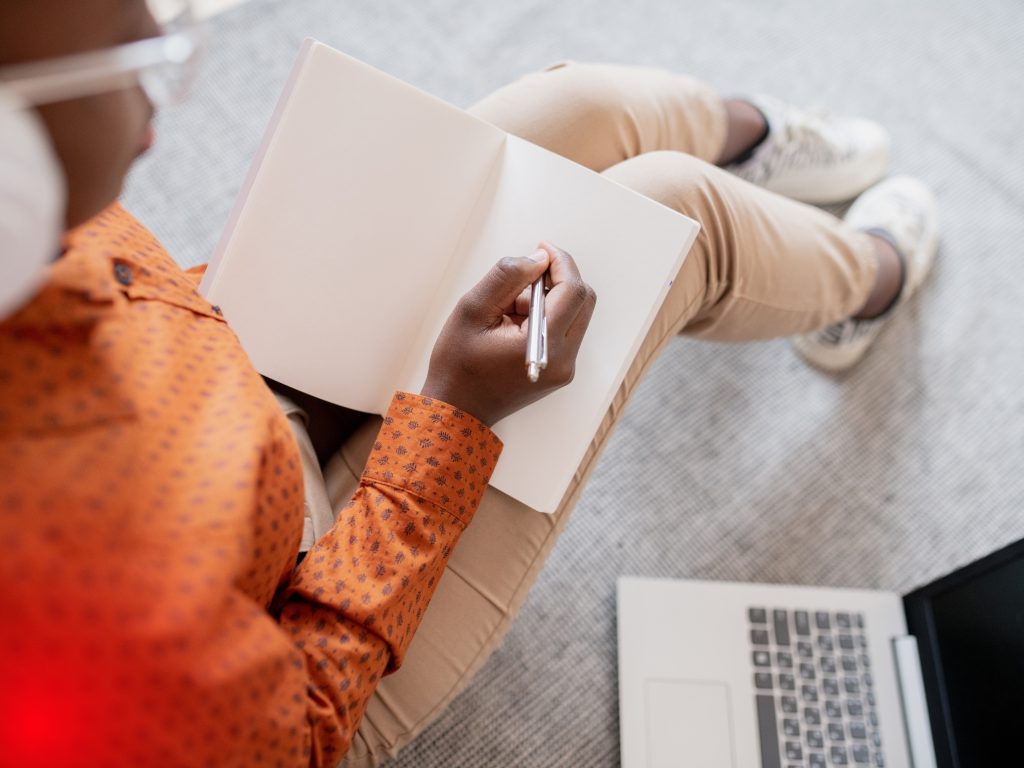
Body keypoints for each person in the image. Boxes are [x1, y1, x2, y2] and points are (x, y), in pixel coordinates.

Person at [0, 1, 939, 766]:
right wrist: (449, 421)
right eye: (143, 64)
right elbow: (304, 722)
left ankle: (754, 135)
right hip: (305, 621)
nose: (162, 95)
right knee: (676, 214)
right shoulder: (77, 604)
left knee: (584, 107)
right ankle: (872, 279)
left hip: (219, 397)